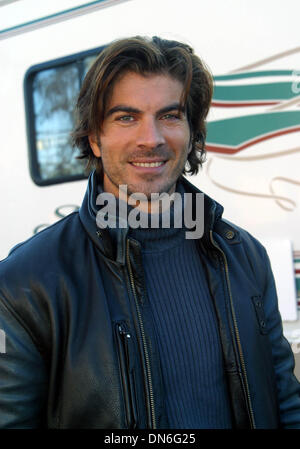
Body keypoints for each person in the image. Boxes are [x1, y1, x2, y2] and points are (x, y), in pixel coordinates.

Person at [0, 36, 300, 430]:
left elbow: (285, 401)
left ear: (192, 130)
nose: (152, 139)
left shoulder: (245, 256)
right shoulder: (23, 284)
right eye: (126, 117)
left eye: (170, 115)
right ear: (94, 136)